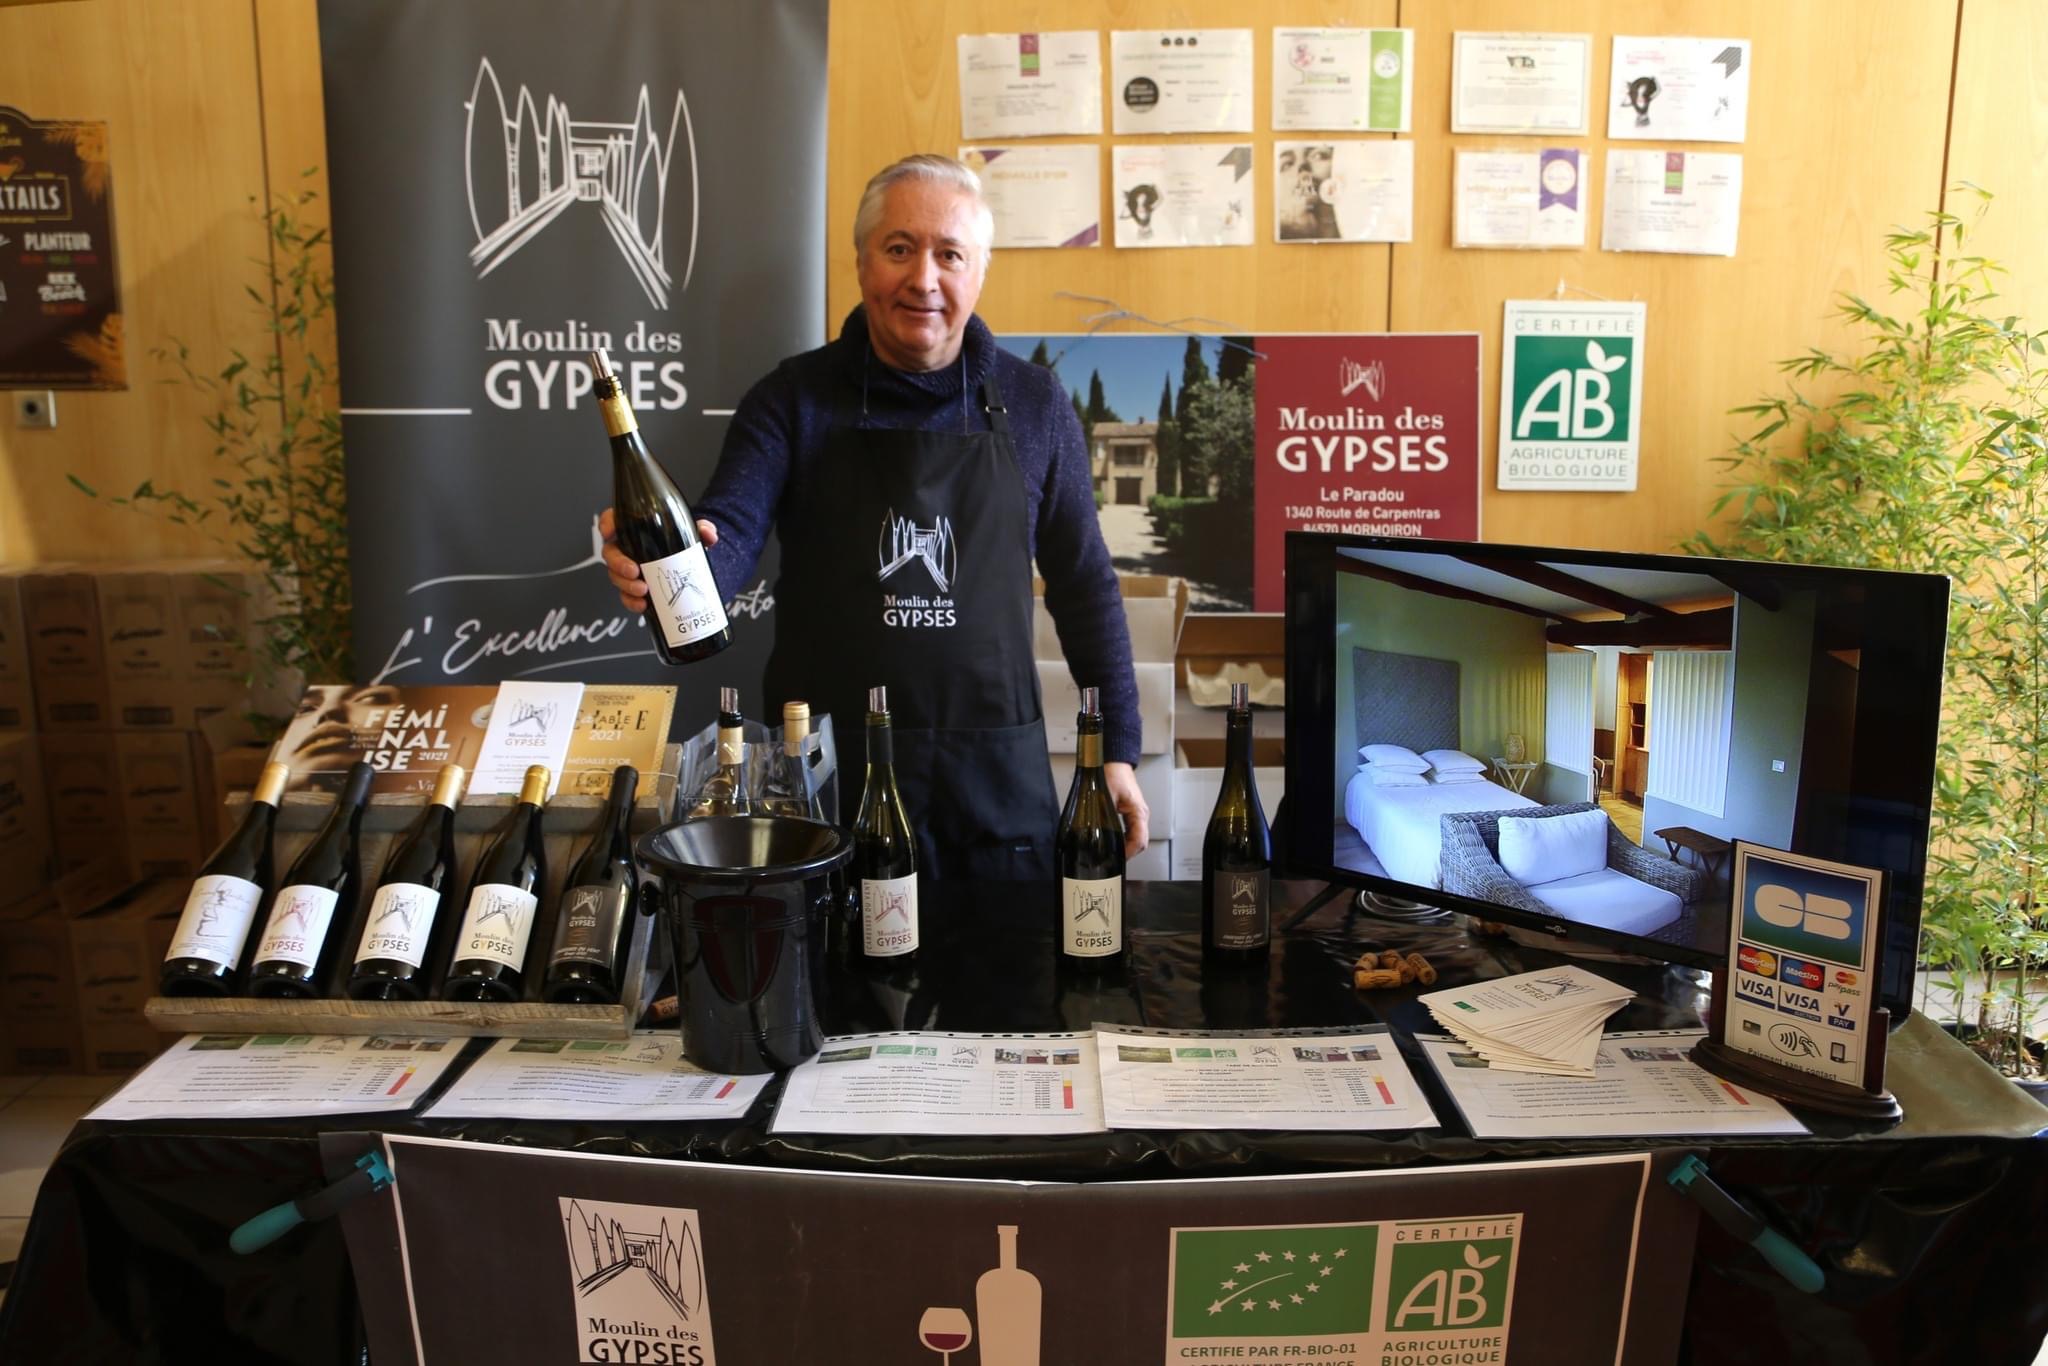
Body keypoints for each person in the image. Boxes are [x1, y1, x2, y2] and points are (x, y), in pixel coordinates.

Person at [601, 154, 1149, 879]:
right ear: (861, 262)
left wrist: (1116, 753)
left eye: (949, 254)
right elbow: (725, 536)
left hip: (994, 786)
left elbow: (1085, 587)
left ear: (979, 270)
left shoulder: (1035, 404)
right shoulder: (791, 401)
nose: (924, 278)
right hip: (831, 787)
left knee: (1008, 954)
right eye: (899, 248)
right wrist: (671, 569)